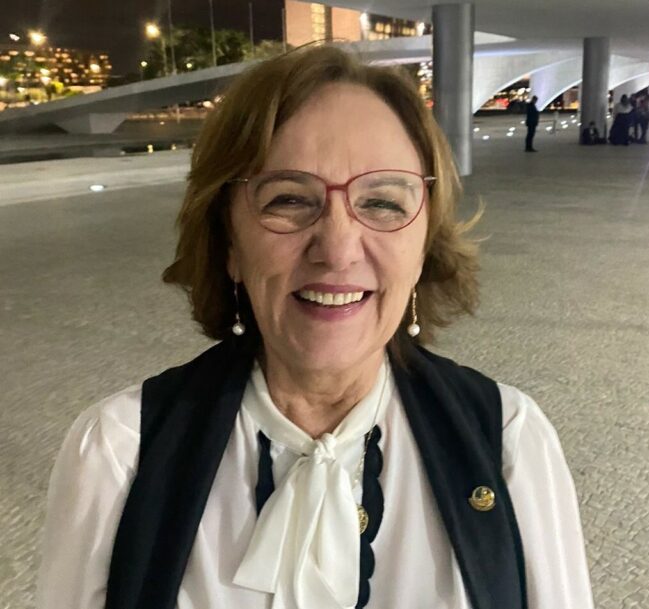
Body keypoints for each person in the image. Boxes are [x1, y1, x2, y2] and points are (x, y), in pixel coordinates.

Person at [37, 46, 594, 609]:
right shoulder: (119, 454)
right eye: (288, 199)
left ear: (424, 244)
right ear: (229, 242)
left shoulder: (508, 445)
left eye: (380, 202)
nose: (337, 248)